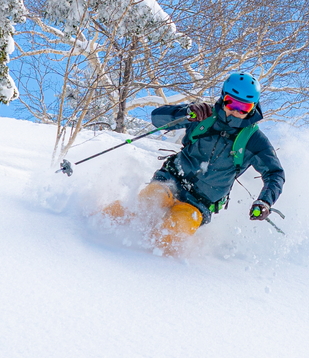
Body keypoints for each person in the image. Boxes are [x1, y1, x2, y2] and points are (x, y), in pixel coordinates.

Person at [103, 71, 285, 254]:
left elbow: (275, 173)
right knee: (146, 205)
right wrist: (186, 113)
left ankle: (145, 270)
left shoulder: (254, 140)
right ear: (223, 98)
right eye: (231, 103)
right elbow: (157, 119)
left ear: (253, 108)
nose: (235, 112)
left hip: (199, 204)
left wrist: (265, 201)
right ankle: (95, 228)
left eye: (243, 108)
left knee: (170, 237)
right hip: (170, 181)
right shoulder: (203, 115)